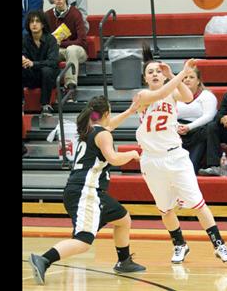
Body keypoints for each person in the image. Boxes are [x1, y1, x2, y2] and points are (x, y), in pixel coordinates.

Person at [132, 44, 227, 264]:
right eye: (150, 72)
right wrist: (181, 73)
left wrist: (171, 74)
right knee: (165, 208)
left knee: (198, 203)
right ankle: (180, 244)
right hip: (152, 159)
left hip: (175, 156)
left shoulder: (171, 92)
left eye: (158, 71)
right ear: (145, 78)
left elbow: (188, 96)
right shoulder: (142, 96)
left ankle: (219, 245)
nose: (155, 74)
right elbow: (162, 92)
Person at [28, 95, 146, 285]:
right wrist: (132, 154)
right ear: (106, 113)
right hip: (86, 191)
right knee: (83, 241)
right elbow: (114, 159)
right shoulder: (102, 134)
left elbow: (109, 126)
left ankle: (124, 261)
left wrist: (129, 112)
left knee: (123, 219)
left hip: (86, 190)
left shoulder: (90, 130)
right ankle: (44, 259)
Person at [45, 0, 88, 103]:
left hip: (78, 50)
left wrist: (60, 43)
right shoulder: (48, 15)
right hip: (58, 50)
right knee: (48, 54)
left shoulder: (75, 13)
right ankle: (50, 90)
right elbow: (45, 40)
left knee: (71, 49)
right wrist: (54, 44)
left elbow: (82, 41)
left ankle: (70, 87)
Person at [177, 68, 218, 173]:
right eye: (185, 77)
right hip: (178, 131)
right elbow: (169, 114)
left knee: (190, 169)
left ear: (198, 81)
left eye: (191, 77)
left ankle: (210, 166)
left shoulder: (207, 95)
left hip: (198, 132)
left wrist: (189, 127)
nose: (187, 80)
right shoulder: (174, 95)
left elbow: (209, 116)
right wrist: (176, 126)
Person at [22, 10, 59, 117]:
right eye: (31, 21)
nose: (34, 24)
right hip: (32, 76)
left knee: (46, 70)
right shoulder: (25, 40)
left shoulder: (51, 39)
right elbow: (24, 57)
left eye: (37, 21)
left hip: (48, 77)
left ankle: (45, 105)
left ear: (43, 24)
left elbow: (53, 62)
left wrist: (34, 63)